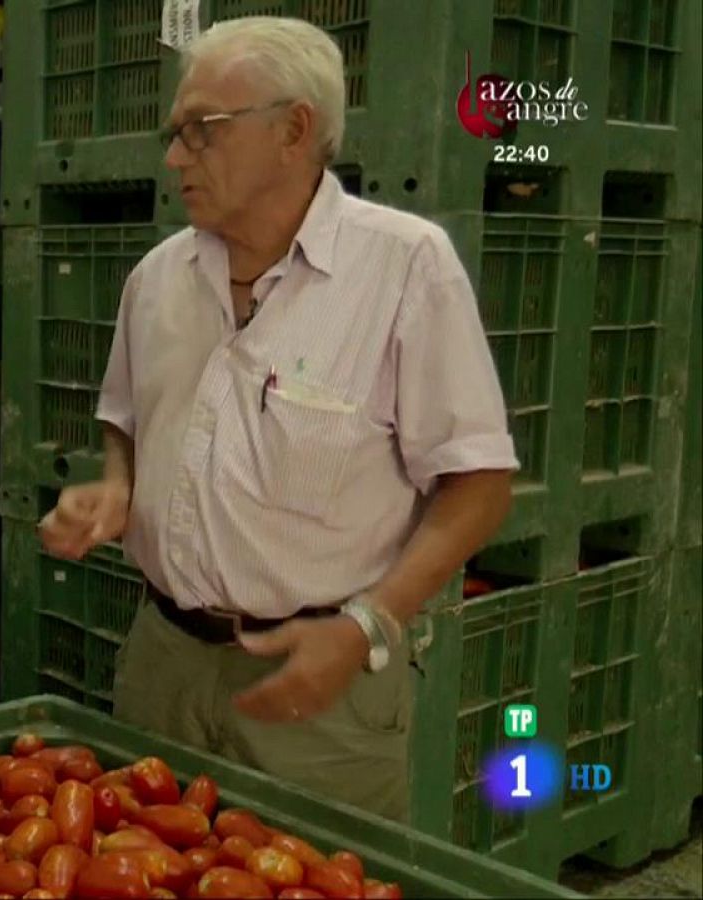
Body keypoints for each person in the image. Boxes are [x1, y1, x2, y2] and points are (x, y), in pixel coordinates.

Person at [37, 16, 518, 822]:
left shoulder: (405, 268)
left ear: (295, 130)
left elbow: (479, 483)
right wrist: (118, 487)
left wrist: (367, 624)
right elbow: (126, 419)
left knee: (316, 870)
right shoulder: (156, 280)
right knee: (144, 862)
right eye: (174, 133)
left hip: (320, 686)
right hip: (163, 664)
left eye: (202, 130)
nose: (175, 156)